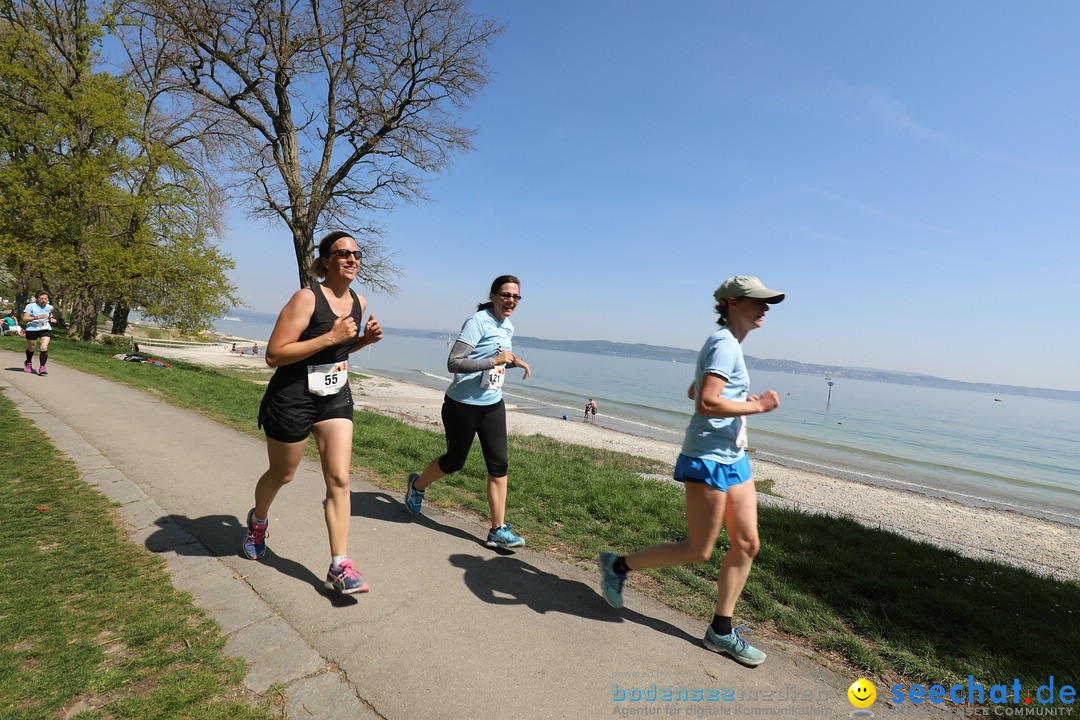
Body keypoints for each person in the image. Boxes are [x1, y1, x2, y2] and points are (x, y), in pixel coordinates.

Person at [598, 275, 785, 667]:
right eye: (758, 301)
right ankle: (618, 566)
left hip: (733, 456)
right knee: (698, 550)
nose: (765, 307)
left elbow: (693, 391)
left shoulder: (729, 345)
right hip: (708, 458)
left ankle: (720, 631)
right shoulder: (722, 344)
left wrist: (736, 398)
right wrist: (757, 407)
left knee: (748, 544)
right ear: (733, 302)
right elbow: (704, 402)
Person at [242, 231, 383, 596]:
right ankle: (258, 521)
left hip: (334, 396)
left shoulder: (359, 300)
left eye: (357, 253)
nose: (353, 259)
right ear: (326, 260)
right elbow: (274, 354)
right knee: (283, 473)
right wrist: (331, 338)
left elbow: (339, 348)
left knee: (339, 478)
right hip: (292, 397)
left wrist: (362, 341)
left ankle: (340, 566)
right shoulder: (306, 298)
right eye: (343, 253)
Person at [405, 275, 532, 549]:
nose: (511, 301)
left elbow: (495, 362)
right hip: (462, 405)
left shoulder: (507, 325)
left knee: (499, 466)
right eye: (506, 295)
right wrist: (496, 360)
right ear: (494, 295)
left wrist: (514, 362)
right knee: (454, 461)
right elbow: (454, 363)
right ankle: (417, 486)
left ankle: (497, 529)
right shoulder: (477, 321)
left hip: (492, 404)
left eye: (516, 296)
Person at [21, 291, 57, 375]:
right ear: (37, 298)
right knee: (32, 347)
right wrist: (37, 317)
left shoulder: (50, 307)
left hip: (45, 328)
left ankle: (42, 367)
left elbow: (49, 314)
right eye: (41, 299)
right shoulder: (30, 306)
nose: (43, 300)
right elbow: (25, 319)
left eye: (45, 299)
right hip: (32, 328)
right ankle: (28, 362)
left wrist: (52, 319)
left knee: (44, 347)